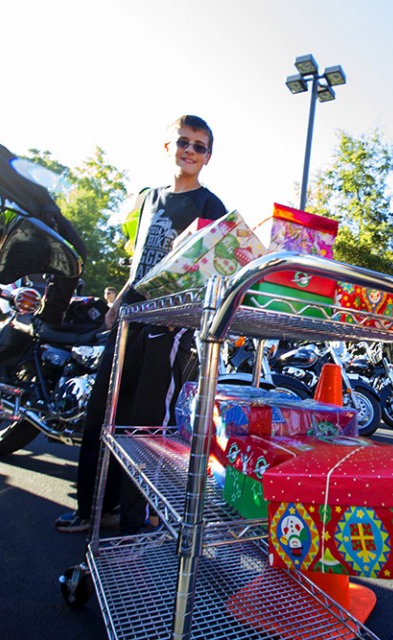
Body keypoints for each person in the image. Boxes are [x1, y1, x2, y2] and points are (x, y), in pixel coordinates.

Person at [55, 114, 227, 533]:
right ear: (167, 147)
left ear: (208, 157)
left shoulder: (211, 205)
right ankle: (95, 506)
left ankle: (136, 517)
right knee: (104, 411)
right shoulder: (149, 198)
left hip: (167, 324)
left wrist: (184, 313)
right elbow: (141, 257)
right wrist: (120, 299)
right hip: (129, 315)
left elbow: (214, 268)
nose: (189, 150)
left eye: (199, 146)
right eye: (183, 142)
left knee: (144, 420)